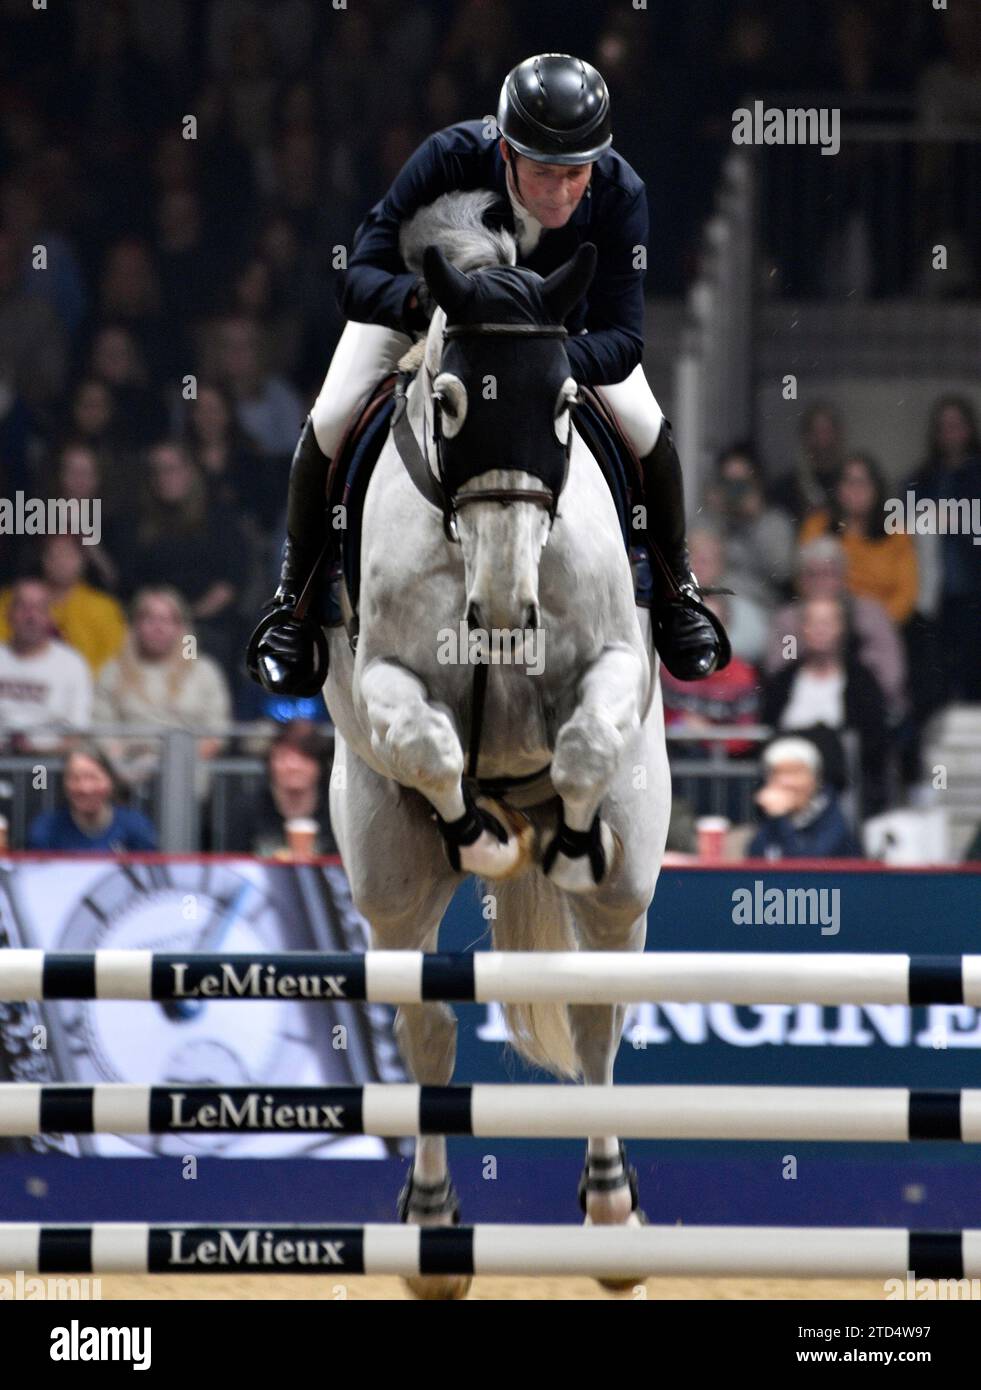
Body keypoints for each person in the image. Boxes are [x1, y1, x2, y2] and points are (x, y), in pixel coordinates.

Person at [249, 53, 730, 696]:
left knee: (646, 427)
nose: (562, 192)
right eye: (543, 173)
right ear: (505, 152)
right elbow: (355, 279)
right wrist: (424, 304)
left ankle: (678, 595)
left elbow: (624, 338)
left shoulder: (621, 193)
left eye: (576, 174)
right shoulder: (447, 159)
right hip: (427, 319)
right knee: (331, 418)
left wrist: (544, 365)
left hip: (555, 342)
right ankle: (296, 603)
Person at [93, 586, 231, 796]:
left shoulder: (204, 672)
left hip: (190, 789)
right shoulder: (113, 672)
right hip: (128, 789)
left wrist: (172, 766)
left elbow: (217, 733)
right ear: (135, 626)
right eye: (149, 619)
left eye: (166, 620)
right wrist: (125, 767)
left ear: (180, 628)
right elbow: (102, 728)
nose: (158, 627)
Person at [761, 594, 890, 814]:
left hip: (840, 793)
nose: (820, 629)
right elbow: (766, 729)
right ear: (803, 628)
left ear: (842, 628)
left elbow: (874, 742)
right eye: (813, 622)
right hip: (783, 788)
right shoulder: (783, 680)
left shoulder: (862, 681)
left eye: (827, 622)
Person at [764, 536, 908, 722]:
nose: (820, 581)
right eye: (812, 574)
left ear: (842, 577)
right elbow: (781, 667)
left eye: (828, 573)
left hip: (867, 708)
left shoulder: (869, 616)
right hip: (802, 707)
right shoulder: (790, 622)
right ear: (800, 580)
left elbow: (890, 674)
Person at [906, 395, 981, 706]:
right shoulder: (923, 477)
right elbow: (904, 523)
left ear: (969, 429)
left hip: (973, 587)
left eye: (956, 426)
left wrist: (956, 518)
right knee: (935, 678)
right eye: (943, 427)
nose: (950, 433)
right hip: (932, 593)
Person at [799, 452, 918, 625]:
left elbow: (906, 595)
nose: (856, 489)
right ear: (838, 488)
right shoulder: (817, 526)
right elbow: (803, 579)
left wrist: (874, 623)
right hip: (825, 624)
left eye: (863, 482)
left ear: (877, 489)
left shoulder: (897, 534)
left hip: (883, 625)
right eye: (849, 481)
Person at [0, 536, 127, 675]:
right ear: (42, 558)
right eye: (54, 554)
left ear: (83, 560)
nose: (61, 562)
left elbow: (115, 660)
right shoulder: (13, 600)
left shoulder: (104, 608)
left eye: (69, 555)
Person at [0, 578, 92, 753]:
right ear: (8, 614)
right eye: (23, 607)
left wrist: (36, 752)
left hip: (48, 766)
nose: (31, 616)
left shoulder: (72, 664)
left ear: (50, 617)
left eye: (39, 608)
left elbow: (77, 734)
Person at [222, 720, 337, 856]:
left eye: (304, 758)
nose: (293, 766)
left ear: (319, 766)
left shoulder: (336, 810)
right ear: (270, 764)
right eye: (283, 757)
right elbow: (233, 864)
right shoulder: (246, 808)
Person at [702, 444, 795, 607]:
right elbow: (696, 561)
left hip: (760, 607)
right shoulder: (712, 520)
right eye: (728, 483)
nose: (735, 491)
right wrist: (716, 515)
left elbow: (782, 573)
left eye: (741, 484)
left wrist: (755, 520)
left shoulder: (775, 522)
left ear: (756, 483)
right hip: (716, 604)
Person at [747, 736, 862, 860]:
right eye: (778, 773)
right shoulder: (771, 814)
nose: (786, 782)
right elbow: (755, 860)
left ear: (816, 778)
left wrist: (780, 819)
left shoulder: (833, 817)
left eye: (795, 772)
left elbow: (806, 868)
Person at [26, 743, 157, 852]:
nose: (85, 788)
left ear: (110, 780)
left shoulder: (136, 826)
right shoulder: (46, 829)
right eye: (75, 778)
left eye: (93, 778)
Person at [769, 401, 845, 524]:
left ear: (838, 435)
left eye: (827, 431)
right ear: (805, 437)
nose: (822, 440)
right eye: (816, 432)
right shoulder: (785, 487)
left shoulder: (850, 481)